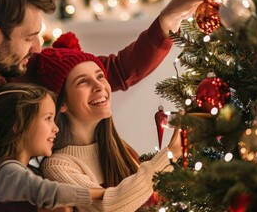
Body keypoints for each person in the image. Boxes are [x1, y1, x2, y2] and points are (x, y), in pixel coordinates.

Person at [0, 0, 214, 211]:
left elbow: (114, 71)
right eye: (30, 37)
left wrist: (172, 16)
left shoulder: (22, 65)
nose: (38, 47)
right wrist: (43, 205)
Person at [33, 32, 183, 211]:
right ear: (62, 103)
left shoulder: (120, 149)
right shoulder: (57, 166)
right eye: (83, 82)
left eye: (100, 76)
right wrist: (170, 154)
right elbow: (108, 206)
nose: (99, 86)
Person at [0, 82, 104, 209]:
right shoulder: (7, 172)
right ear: (17, 125)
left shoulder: (17, 172)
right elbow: (50, 192)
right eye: (48, 118)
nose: (56, 128)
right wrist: (102, 193)